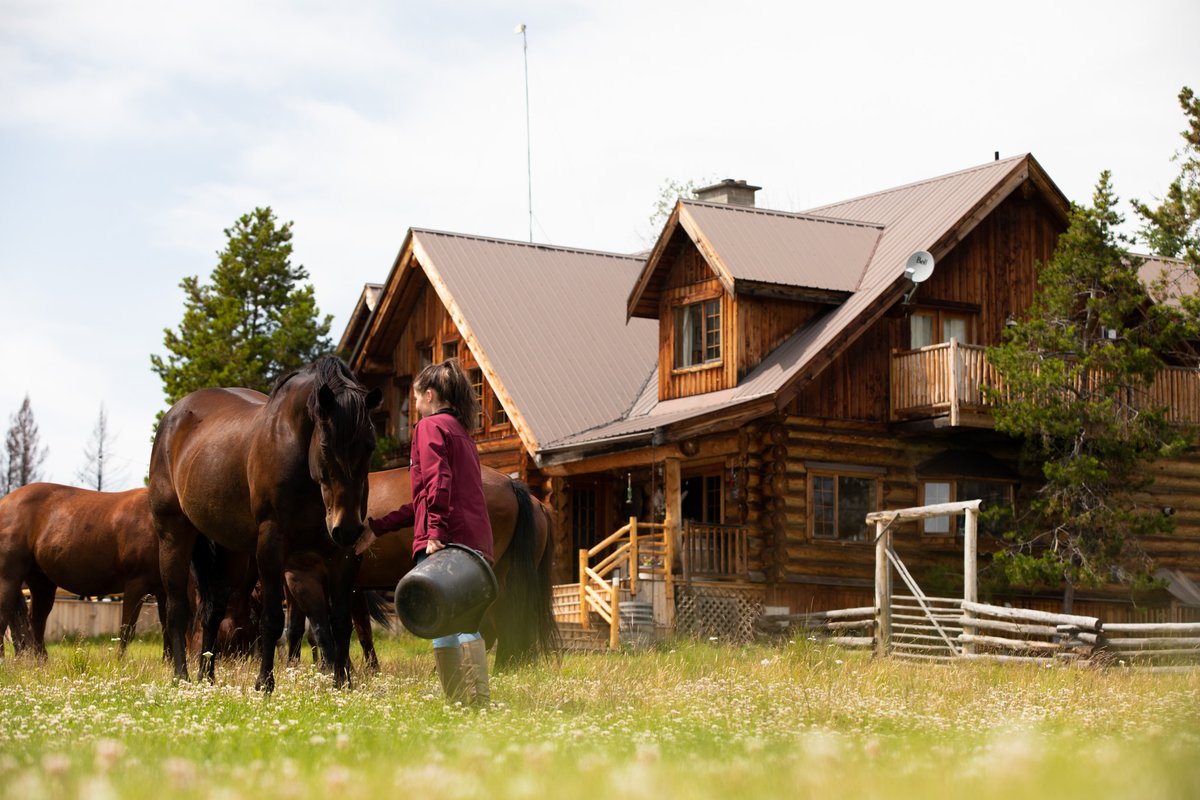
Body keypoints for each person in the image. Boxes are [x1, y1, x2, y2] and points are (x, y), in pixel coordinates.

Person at [363, 358, 494, 707]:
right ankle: (477, 701)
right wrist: (379, 527)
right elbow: (422, 499)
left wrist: (434, 533)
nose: (414, 406)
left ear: (430, 394)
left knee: (442, 625)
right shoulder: (461, 432)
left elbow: (438, 483)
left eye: (416, 398)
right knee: (466, 621)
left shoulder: (430, 428)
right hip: (474, 543)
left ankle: (458, 704)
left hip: (445, 542)